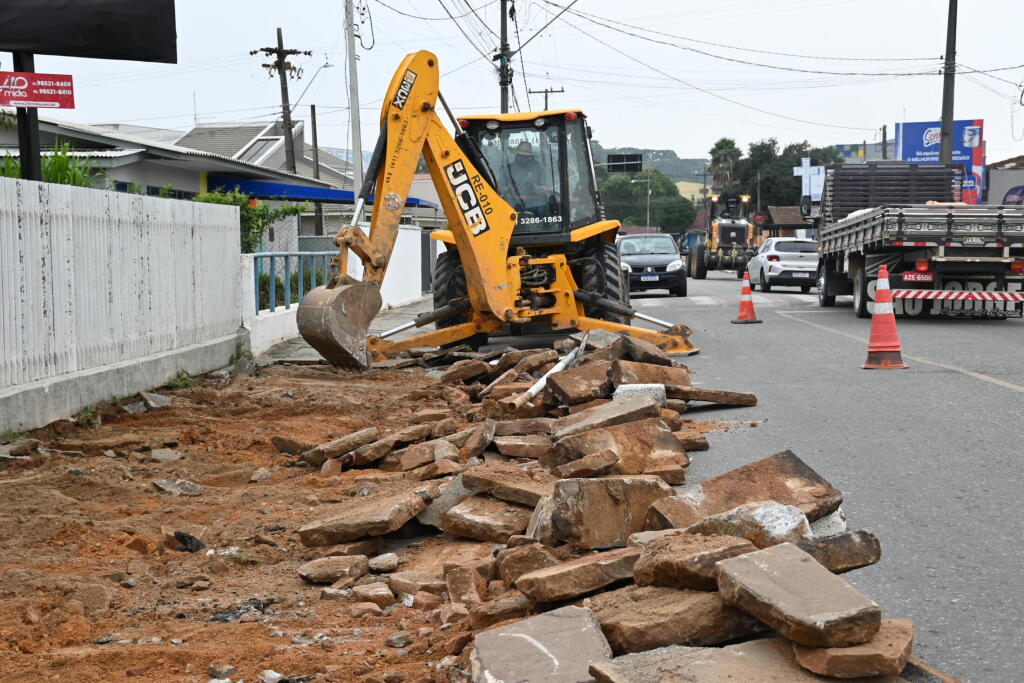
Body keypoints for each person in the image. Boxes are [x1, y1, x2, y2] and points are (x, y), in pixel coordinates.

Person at [505, 140, 548, 213]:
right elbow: (499, 188)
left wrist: (533, 187)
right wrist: (508, 188)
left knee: (541, 208)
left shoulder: (538, 167)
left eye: (524, 156)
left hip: (534, 201)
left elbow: (545, 190)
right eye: (520, 155)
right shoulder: (508, 168)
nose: (522, 158)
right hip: (513, 200)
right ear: (517, 154)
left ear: (529, 156)